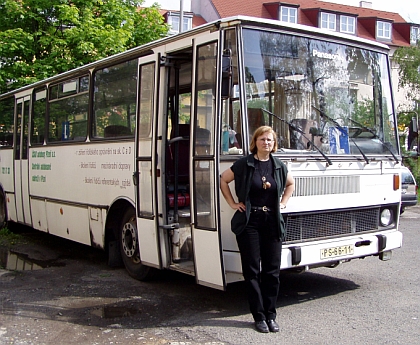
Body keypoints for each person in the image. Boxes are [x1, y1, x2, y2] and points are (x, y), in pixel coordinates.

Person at [220, 125, 295, 333]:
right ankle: (259, 316)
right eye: (262, 139)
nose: (266, 143)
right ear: (256, 142)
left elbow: (290, 184)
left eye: (270, 140)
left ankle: (271, 315)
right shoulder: (244, 164)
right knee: (252, 270)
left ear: (274, 144)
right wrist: (233, 204)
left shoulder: (279, 165)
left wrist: (284, 202)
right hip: (249, 223)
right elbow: (223, 180)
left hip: (272, 221)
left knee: (272, 271)